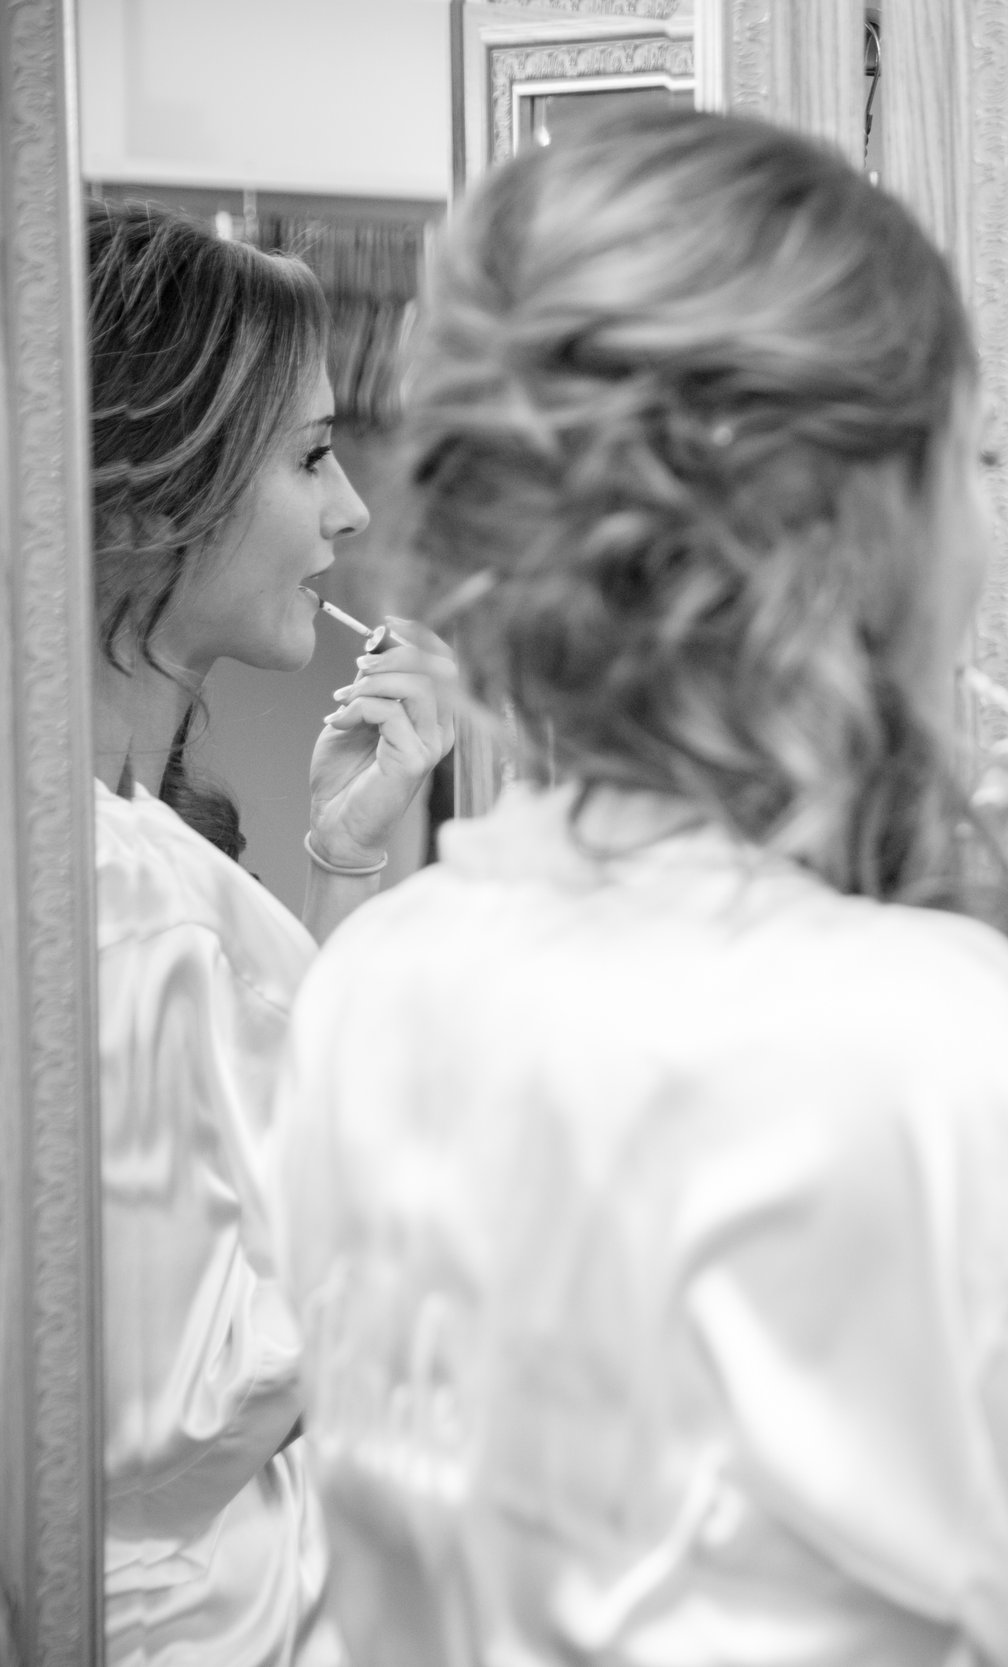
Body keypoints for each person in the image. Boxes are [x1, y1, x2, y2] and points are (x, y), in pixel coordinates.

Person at [268, 109, 1008, 1667]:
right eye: (979, 460)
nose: (992, 522)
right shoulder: (933, 1038)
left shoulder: (375, 975)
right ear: (861, 529)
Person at [86, 200, 458, 1662]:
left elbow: (248, 1157)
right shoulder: (117, 901)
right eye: (310, 456)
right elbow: (169, 1404)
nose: (355, 509)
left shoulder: (140, 856)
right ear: (145, 494)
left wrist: (341, 861)